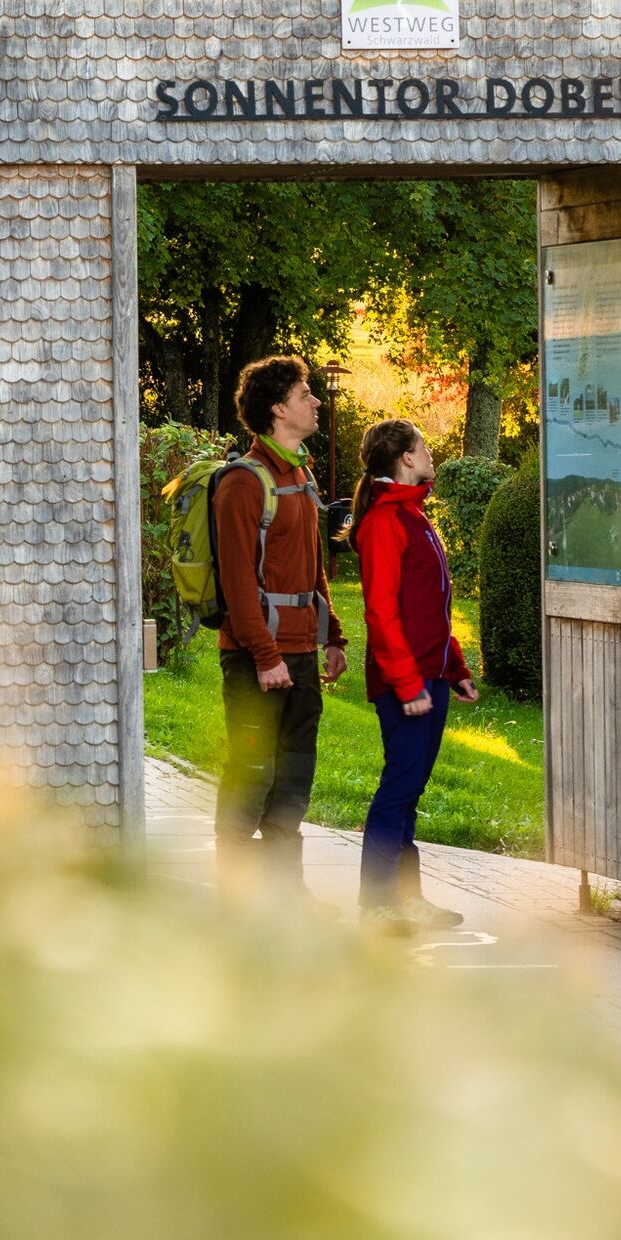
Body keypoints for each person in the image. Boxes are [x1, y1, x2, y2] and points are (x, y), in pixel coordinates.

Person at [213, 355, 348, 902]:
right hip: (254, 657)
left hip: (299, 653)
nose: (315, 402)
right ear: (277, 409)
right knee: (252, 774)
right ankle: (236, 897)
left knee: (293, 778)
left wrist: (332, 635)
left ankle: (286, 894)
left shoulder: (300, 474)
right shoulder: (244, 482)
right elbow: (237, 581)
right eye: (304, 394)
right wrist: (266, 656)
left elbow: (311, 567)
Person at [348, 419, 477, 932]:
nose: (429, 453)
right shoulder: (386, 520)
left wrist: (455, 667)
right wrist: (406, 683)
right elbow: (381, 612)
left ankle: (407, 899)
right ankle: (377, 904)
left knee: (409, 790)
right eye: (422, 446)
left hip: (431, 675)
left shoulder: (415, 514)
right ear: (405, 457)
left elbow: (431, 607)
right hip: (406, 682)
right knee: (398, 789)